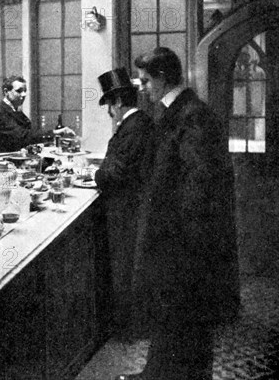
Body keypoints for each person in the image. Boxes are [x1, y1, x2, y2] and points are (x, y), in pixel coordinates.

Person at [116, 47, 240, 380]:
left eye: (144, 81)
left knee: (186, 324)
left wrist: (180, 241)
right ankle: (155, 372)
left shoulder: (192, 114)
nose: (141, 87)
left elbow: (200, 186)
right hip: (173, 241)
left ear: (160, 78)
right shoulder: (172, 112)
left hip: (184, 244)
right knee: (169, 317)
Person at [93, 68, 156, 340]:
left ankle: (126, 330)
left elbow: (113, 173)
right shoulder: (140, 123)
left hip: (126, 212)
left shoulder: (132, 128)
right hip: (133, 209)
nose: (109, 111)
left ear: (117, 102)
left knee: (124, 270)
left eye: (109, 104)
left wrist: (96, 174)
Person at [0, 75, 74, 156]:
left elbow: (31, 133)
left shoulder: (15, 111)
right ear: (6, 92)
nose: (24, 94)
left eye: (25, 91)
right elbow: (24, 136)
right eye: (19, 91)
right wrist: (54, 133)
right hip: (2, 164)